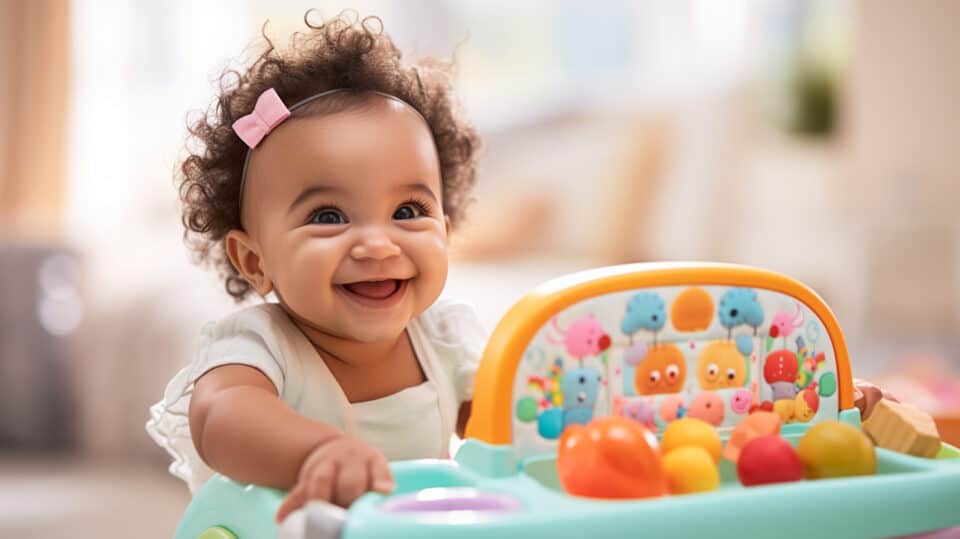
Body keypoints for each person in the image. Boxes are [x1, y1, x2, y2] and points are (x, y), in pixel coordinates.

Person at [145, 11, 484, 523]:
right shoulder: (259, 346)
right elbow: (220, 417)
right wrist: (314, 454)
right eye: (328, 217)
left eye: (408, 212)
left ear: (446, 230)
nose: (377, 244)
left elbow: (506, 431)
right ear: (254, 261)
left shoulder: (446, 337)